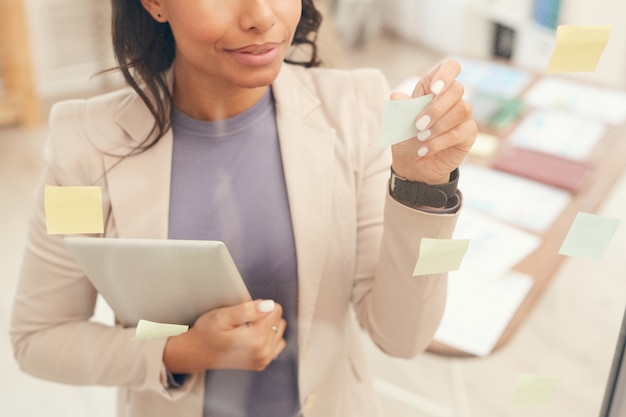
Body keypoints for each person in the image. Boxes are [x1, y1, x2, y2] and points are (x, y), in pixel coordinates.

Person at [10, 0, 477, 416]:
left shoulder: (356, 110)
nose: (261, 17)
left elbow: (403, 336)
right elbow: (41, 338)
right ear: (153, 3)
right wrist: (180, 351)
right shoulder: (86, 150)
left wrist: (422, 187)